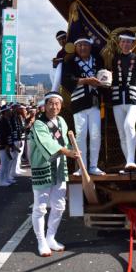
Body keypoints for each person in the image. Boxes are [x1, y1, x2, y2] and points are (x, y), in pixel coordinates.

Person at [29, 92, 79, 257]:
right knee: (40, 207)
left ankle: (51, 237)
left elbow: (63, 141)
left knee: (59, 205)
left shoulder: (62, 121)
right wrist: (68, 152)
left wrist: (72, 149)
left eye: (57, 104)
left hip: (59, 167)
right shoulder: (38, 124)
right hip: (43, 167)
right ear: (45, 104)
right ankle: (41, 241)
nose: (54, 106)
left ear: (61, 105)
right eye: (51, 103)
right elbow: (48, 144)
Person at [59, 36, 106, 176]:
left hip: (95, 102)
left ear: (90, 47)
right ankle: (81, 166)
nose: (83, 48)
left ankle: (93, 165)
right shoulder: (71, 62)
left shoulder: (97, 61)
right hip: (79, 102)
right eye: (79, 45)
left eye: (85, 45)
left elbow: (103, 77)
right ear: (76, 47)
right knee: (81, 135)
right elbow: (66, 80)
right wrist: (86, 80)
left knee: (95, 135)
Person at [111, 30, 136, 172]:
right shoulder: (115, 59)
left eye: (128, 41)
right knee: (121, 133)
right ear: (119, 43)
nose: (125, 44)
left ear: (133, 43)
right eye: (123, 41)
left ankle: (131, 160)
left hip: (134, 100)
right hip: (117, 101)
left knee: (128, 125)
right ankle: (129, 164)